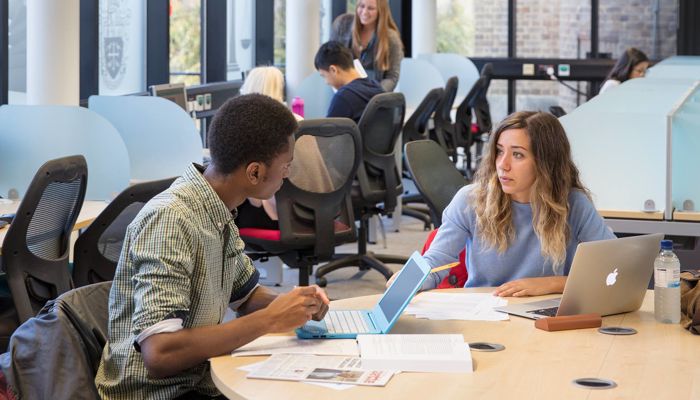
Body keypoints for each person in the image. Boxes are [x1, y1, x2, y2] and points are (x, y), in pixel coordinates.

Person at [95, 94, 330, 399]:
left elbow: (246, 296)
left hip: (198, 379)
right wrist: (271, 319)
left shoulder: (220, 209)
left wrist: (296, 305)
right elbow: (160, 353)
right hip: (159, 393)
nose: (287, 174)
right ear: (255, 172)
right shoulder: (171, 220)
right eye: (286, 165)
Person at [389, 111, 615, 296]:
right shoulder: (471, 200)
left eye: (517, 155)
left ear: (546, 162)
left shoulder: (573, 205)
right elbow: (435, 261)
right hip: (486, 314)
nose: (503, 165)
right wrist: (407, 281)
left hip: (547, 318)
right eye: (499, 152)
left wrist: (554, 284)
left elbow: (614, 268)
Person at [234, 66, 334, 230]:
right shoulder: (298, 119)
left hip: (281, 217)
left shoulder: (256, 129)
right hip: (318, 210)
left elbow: (256, 198)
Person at [315, 40, 384, 123]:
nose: (326, 82)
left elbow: (326, 133)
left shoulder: (344, 97)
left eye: (324, 76)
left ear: (333, 70)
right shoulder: (377, 87)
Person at [343, 0, 403, 92]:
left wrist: (373, 95)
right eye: (362, 6)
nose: (364, 12)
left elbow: (392, 77)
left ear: (381, 11)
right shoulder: (346, 31)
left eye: (370, 8)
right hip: (349, 93)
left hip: (375, 98)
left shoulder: (391, 38)